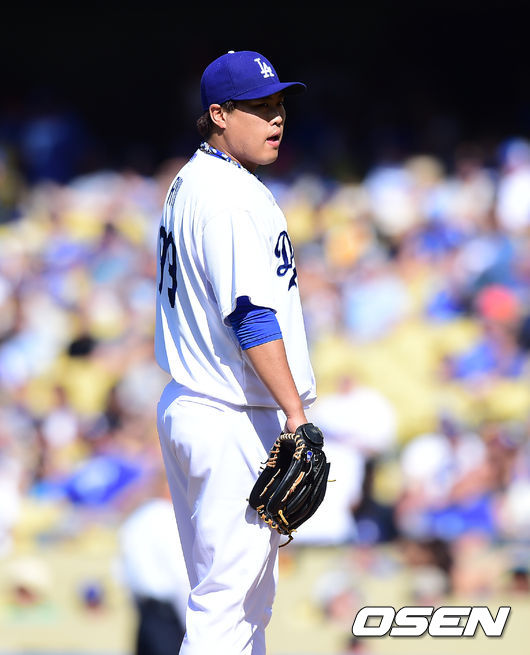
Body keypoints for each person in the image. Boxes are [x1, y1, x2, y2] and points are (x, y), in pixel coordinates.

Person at [155, 50, 316, 654]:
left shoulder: (191, 179)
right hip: (230, 414)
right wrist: (296, 415)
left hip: (196, 404)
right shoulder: (229, 197)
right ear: (219, 114)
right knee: (228, 607)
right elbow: (250, 315)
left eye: (279, 106)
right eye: (259, 107)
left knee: (239, 604)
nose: (276, 119)